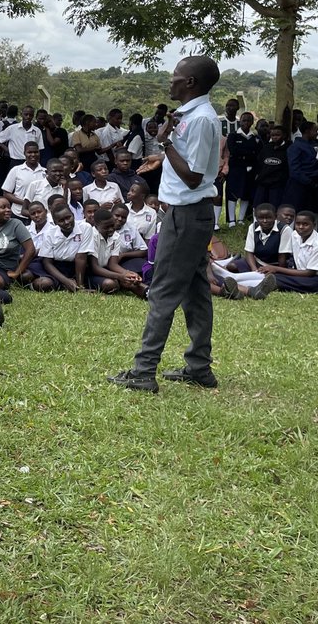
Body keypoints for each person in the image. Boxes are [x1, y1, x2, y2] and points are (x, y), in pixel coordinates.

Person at [109, 56, 222, 393]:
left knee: (162, 291)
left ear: (190, 83)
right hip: (186, 214)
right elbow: (185, 165)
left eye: (176, 76)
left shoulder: (201, 120)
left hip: (188, 216)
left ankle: (144, 371)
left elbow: (193, 177)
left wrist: (165, 142)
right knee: (196, 292)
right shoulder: (187, 116)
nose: (170, 80)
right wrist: (164, 151)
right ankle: (199, 368)